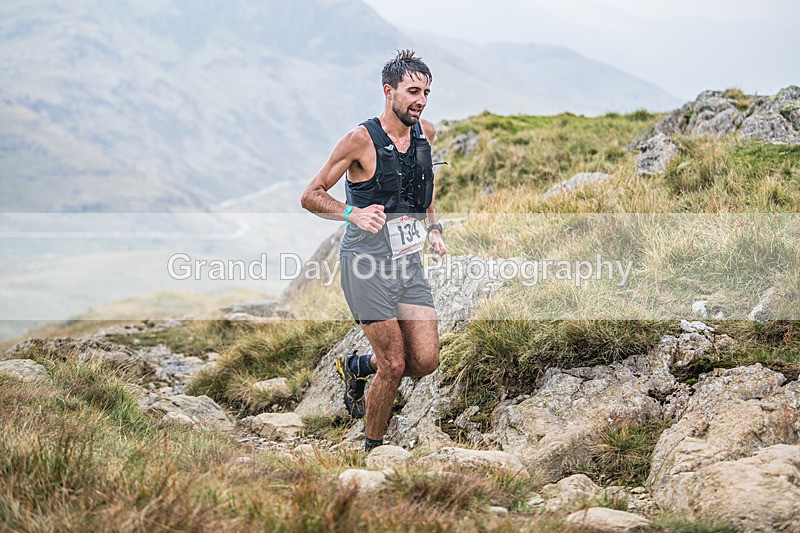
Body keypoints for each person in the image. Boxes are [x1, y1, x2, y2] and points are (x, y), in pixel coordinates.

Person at [300, 50, 447, 452]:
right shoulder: (359, 140)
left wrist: (433, 230)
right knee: (394, 365)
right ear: (389, 91)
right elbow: (310, 196)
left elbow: (426, 191)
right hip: (364, 266)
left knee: (426, 361)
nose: (420, 100)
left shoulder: (426, 134)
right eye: (413, 91)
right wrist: (352, 213)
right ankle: (373, 452)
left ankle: (355, 366)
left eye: (427, 92)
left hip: (408, 263)